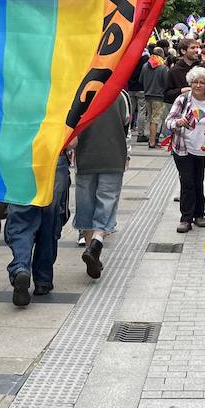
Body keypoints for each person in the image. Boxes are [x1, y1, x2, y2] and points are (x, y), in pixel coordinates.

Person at [75, 91, 131, 280]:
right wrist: (127, 155)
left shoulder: (82, 91)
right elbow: (126, 128)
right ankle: (96, 244)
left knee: (87, 207)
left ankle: (92, 251)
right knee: (107, 202)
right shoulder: (120, 95)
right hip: (113, 157)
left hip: (85, 157)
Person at [4, 149, 72, 306]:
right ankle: (43, 280)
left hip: (21, 161)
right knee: (49, 225)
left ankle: (21, 268)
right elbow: (73, 141)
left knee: (21, 224)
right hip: (53, 160)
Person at [166, 67, 205, 233]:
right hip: (184, 148)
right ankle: (186, 218)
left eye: (202, 82)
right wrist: (178, 122)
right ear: (190, 83)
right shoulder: (182, 99)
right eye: (195, 82)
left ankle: (199, 215)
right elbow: (168, 122)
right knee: (188, 183)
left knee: (202, 183)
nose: (198, 85)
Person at [139, 43, 170, 144]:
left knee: (149, 118)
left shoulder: (145, 66)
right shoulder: (163, 67)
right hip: (159, 96)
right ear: (161, 55)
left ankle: (150, 138)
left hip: (147, 95)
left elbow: (140, 80)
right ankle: (152, 141)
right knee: (156, 119)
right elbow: (166, 83)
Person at [165, 35, 202, 103]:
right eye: (192, 48)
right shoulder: (173, 71)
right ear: (183, 51)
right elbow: (167, 95)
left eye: (197, 47)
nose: (196, 50)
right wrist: (181, 91)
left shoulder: (202, 68)